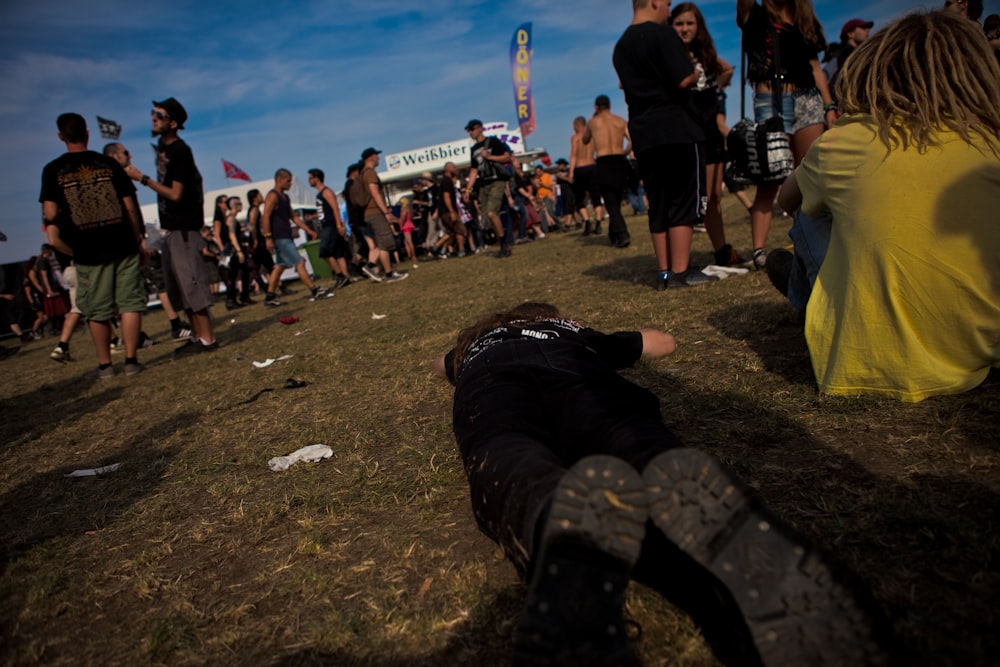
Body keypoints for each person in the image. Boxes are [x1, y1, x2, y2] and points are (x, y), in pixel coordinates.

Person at [432, 301, 895, 666]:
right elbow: (663, 343)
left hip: (492, 385)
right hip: (581, 377)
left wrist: (473, 346)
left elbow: (440, 365)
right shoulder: (573, 333)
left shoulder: (478, 347)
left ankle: (551, 516)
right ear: (553, 318)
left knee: (509, 455)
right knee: (632, 442)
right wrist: (580, 331)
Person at [769, 11, 1000, 402]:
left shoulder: (849, 138)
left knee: (810, 214)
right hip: (983, 351)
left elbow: (786, 200)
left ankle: (813, 296)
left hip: (868, 363)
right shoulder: (989, 141)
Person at [613, 0, 715, 289]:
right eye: (668, 4)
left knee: (658, 203)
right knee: (684, 200)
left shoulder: (620, 46)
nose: (669, 12)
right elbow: (683, 79)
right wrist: (696, 73)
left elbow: (626, 87)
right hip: (677, 127)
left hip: (644, 132)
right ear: (654, 2)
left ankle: (664, 272)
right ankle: (682, 272)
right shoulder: (661, 33)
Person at [40, 112, 147, 378]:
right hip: (122, 242)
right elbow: (130, 207)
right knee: (129, 303)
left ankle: (105, 366)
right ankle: (131, 361)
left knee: (97, 310)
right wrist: (138, 238)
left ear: (60, 136)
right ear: (87, 133)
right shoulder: (108, 164)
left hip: (87, 249)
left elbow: (51, 213)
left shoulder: (53, 170)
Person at [737, 0, 837, 269]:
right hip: (770, 99)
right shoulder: (755, 14)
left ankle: (815, 243)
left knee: (810, 174)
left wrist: (829, 105)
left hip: (807, 97)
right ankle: (759, 251)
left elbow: (815, 66)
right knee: (769, 179)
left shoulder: (805, 19)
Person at [125, 97, 218, 357]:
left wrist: (142, 178)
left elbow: (176, 194)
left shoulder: (180, 151)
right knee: (179, 286)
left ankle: (208, 338)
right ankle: (198, 337)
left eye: (159, 115)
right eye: (152, 113)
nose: (153, 118)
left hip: (184, 228)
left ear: (173, 123)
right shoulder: (164, 149)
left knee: (192, 283)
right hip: (171, 228)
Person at [670, 3, 746, 267]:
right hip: (686, 131)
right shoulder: (672, 54)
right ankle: (677, 259)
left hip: (710, 131)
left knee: (714, 196)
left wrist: (718, 87)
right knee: (691, 197)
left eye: (690, 23)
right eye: (679, 23)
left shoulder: (705, 53)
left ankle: (722, 250)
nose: (685, 28)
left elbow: (727, 69)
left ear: (698, 25)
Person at [104, 142, 192, 340]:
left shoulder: (106, 180)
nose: (130, 156)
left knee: (126, 291)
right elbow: (130, 210)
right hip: (129, 241)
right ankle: (173, 325)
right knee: (152, 283)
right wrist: (139, 238)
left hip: (120, 242)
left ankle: (132, 336)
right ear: (113, 156)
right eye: (125, 153)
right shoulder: (118, 179)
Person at [261, 168, 334, 306]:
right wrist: (268, 237)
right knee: (300, 262)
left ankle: (270, 297)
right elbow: (265, 217)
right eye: (288, 181)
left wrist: (308, 230)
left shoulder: (285, 197)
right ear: (280, 180)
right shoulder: (272, 196)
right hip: (279, 237)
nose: (290, 184)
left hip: (286, 236)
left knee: (280, 266)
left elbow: (294, 217)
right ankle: (314, 290)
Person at [583, 95, 634, 248]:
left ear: (596, 107)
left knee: (610, 200)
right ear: (610, 106)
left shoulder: (593, 122)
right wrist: (624, 153)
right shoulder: (620, 120)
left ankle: (622, 233)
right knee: (616, 199)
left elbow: (585, 140)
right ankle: (614, 233)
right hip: (619, 159)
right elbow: (632, 140)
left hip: (604, 160)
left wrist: (592, 123)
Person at [356, 148, 408, 282]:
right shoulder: (370, 173)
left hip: (368, 213)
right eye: (377, 156)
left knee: (381, 242)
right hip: (375, 212)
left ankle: (384, 271)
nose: (379, 159)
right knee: (386, 242)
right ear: (372, 157)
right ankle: (377, 268)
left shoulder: (362, 174)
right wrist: (386, 212)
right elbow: (375, 192)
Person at [463, 120, 513, 258]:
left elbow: (506, 156)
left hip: (497, 180)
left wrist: (489, 156)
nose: (470, 132)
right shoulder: (473, 150)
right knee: (486, 218)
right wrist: (468, 190)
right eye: (468, 130)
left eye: (472, 129)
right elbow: (474, 170)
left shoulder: (493, 142)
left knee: (492, 213)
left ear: (479, 128)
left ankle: (504, 244)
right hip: (484, 184)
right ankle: (502, 244)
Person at [308, 168, 351, 289]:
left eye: (310, 178)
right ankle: (345, 277)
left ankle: (340, 275)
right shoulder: (319, 194)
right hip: (326, 224)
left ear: (317, 178)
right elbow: (324, 211)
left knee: (324, 252)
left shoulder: (326, 192)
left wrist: (338, 225)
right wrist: (313, 216)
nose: (309, 180)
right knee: (338, 253)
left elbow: (334, 208)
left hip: (331, 225)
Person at [569, 116, 605, 236]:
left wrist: (571, 172)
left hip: (580, 168)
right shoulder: (593, 137)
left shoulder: (575, 138)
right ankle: (598, 223)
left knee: (579, 199)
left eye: (574, 126)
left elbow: (573, 155)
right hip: (592, 166)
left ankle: (587, 222)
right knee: (596, 197)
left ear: (577, 125)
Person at [826, 18, 874, 89]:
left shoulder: (843, 53)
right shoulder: (848, 53)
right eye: (863, 27)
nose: (868, 30)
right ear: (850, 34)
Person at [435, 162, 468, 257]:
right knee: (460, 229)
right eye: (454, 167)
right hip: (448, 211)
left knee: (451, 231)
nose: (456, 168)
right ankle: (461, 250)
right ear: (448, 169)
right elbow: (446, 197)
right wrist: (452, 211)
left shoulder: (445, 181)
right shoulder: (446, 181)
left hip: (444, 211)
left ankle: (436, 247)